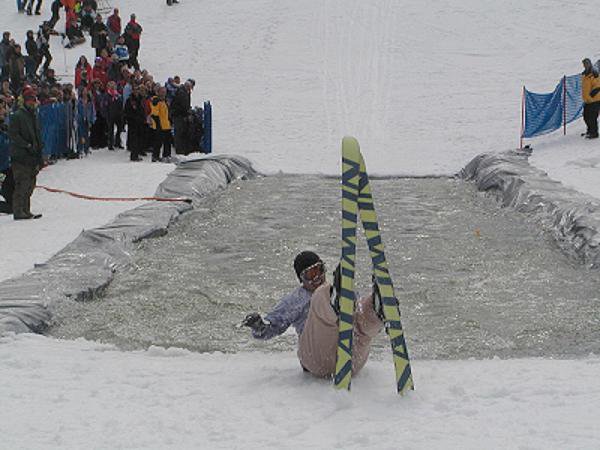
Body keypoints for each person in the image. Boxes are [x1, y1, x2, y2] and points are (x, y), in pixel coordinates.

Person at [242, 251, 384, 378]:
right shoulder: (296, 299)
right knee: (321, 296)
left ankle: (377, 308)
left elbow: (358, 321)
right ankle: (333, 306)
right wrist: (259, 326)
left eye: (319, 270)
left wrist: (368, 309)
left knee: (360, 318)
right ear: (301, 279)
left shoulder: (340, 290)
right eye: (310, 274)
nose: (317, 278)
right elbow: (273, 326)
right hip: (318, 360)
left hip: (351, 359)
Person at [8, 86, 43, 220]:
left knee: (30, 184)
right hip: (21, 156)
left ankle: (26, 209)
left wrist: (39, 149)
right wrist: (26, 145)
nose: (32, 103)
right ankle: (18, 211)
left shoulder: (33, 115)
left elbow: (37, 133)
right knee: (21, 184)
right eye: (30, 100)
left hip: (32, 155)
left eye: (33, 100)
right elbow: (14, 135)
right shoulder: (17, 116)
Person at [150, 86, 172, 162]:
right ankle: (155, 156)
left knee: (167, 141)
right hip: (159, 125)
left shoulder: (164, 101)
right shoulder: (156, 101)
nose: (163, 94)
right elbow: (154, 114)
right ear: (158, 92)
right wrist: (158, 124)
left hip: (166, 124)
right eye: (162, 92)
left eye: (164, 92)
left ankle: (166, 155)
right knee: (158, 142)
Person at [171, 79, 193, 154]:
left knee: (180, 132)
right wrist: (187, 114)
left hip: (179, 114)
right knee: (179, 133)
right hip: (178, 115)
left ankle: (181, 149)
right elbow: (184, 106)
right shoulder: (182, 93)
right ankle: (179, 150)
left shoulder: (183, 91)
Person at [582, 58, 600, 139]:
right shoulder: (584, 74)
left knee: (592, 117)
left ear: (590, 64)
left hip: (595, 100)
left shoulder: (594, 74)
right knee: (585, 116)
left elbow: (598, 85)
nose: (585, 65)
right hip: (587, 100)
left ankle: (594, 133)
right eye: (584, 64)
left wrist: (593, 92)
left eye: (587, 63)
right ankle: (589, 131)